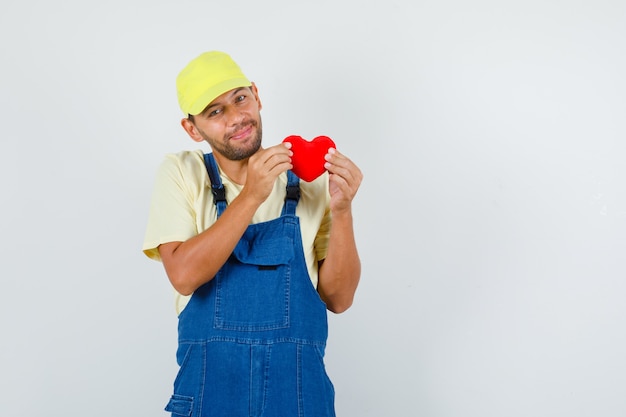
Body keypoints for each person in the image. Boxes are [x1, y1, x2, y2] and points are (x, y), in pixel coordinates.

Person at [143, 51, 362, 417]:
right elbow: (183, 276)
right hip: (209, 398)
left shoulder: (308, 182)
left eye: (240, 98)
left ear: (257, 95)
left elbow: (339, 298)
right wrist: (252, 194)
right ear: (192, 128)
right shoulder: (182, 173)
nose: (236, 118)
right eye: (215, 112)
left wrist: (342, 211)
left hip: (298, 399)